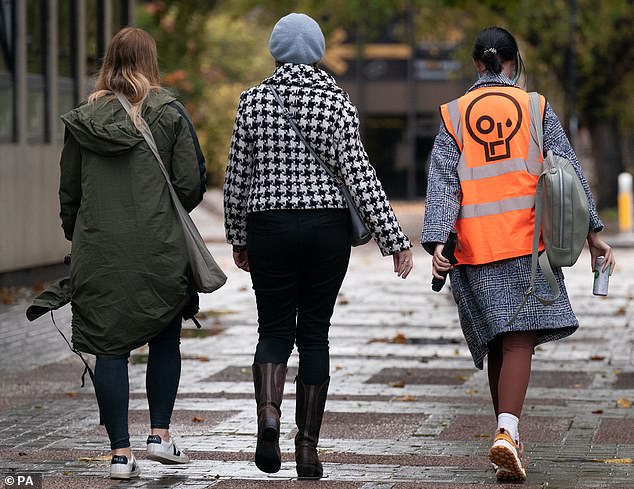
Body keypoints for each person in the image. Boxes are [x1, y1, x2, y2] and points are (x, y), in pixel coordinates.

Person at [224, 12, 414, 479]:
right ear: (318, 51)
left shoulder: (253, 102)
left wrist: (238, 236)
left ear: (274, 51)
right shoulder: (335, 102)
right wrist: (395, 241)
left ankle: (268, 413)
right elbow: (359, 176)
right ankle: (307, 448)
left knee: (272, 331)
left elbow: (235, 177)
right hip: (327, 228)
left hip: (269, 226)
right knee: (314, 333)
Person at [422, 26, 615, 482]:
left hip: (471, 245)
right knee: (519, 339)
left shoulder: (453, 113)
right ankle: (506, 433)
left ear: (476, 63)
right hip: (527, 242)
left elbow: (444, 183)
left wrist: (436, 242)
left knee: (496, 342)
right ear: (513, 61)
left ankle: (506, 435)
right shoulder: (536, 106)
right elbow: (566, 175)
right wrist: (592, 233)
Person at [59, 27, 206, 479]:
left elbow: (69, 192)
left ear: (108, 61)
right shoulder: (169, 113)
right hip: (159, 247)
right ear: (150, 61)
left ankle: (120, 454)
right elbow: (189, 185)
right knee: (164, 337)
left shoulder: (84, 118)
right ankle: (160, 434)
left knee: (110, 348)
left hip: (99, 248)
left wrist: (80, 237)